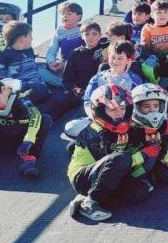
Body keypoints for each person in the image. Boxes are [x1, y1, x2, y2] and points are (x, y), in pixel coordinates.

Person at [66, 85, 159, 222]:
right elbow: (113, 162)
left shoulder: (125, 126)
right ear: (100, 110)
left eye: (122, 108)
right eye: (112, 109)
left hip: (108, 173)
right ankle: (90, 202)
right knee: (122, 158)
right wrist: (143, 155)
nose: (119, 112)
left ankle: (84, 199)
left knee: (141, 191)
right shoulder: (95, 132)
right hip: (83, 177)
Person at [0, 21, 49, 103]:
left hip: (39, 86)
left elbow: (33, 70)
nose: (32, 39)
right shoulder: (3, 55)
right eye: (30, 36)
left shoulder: (29, 50)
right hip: (22, 92)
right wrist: (24, 86)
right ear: (22, 39)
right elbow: (1, 79)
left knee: (57, 98)